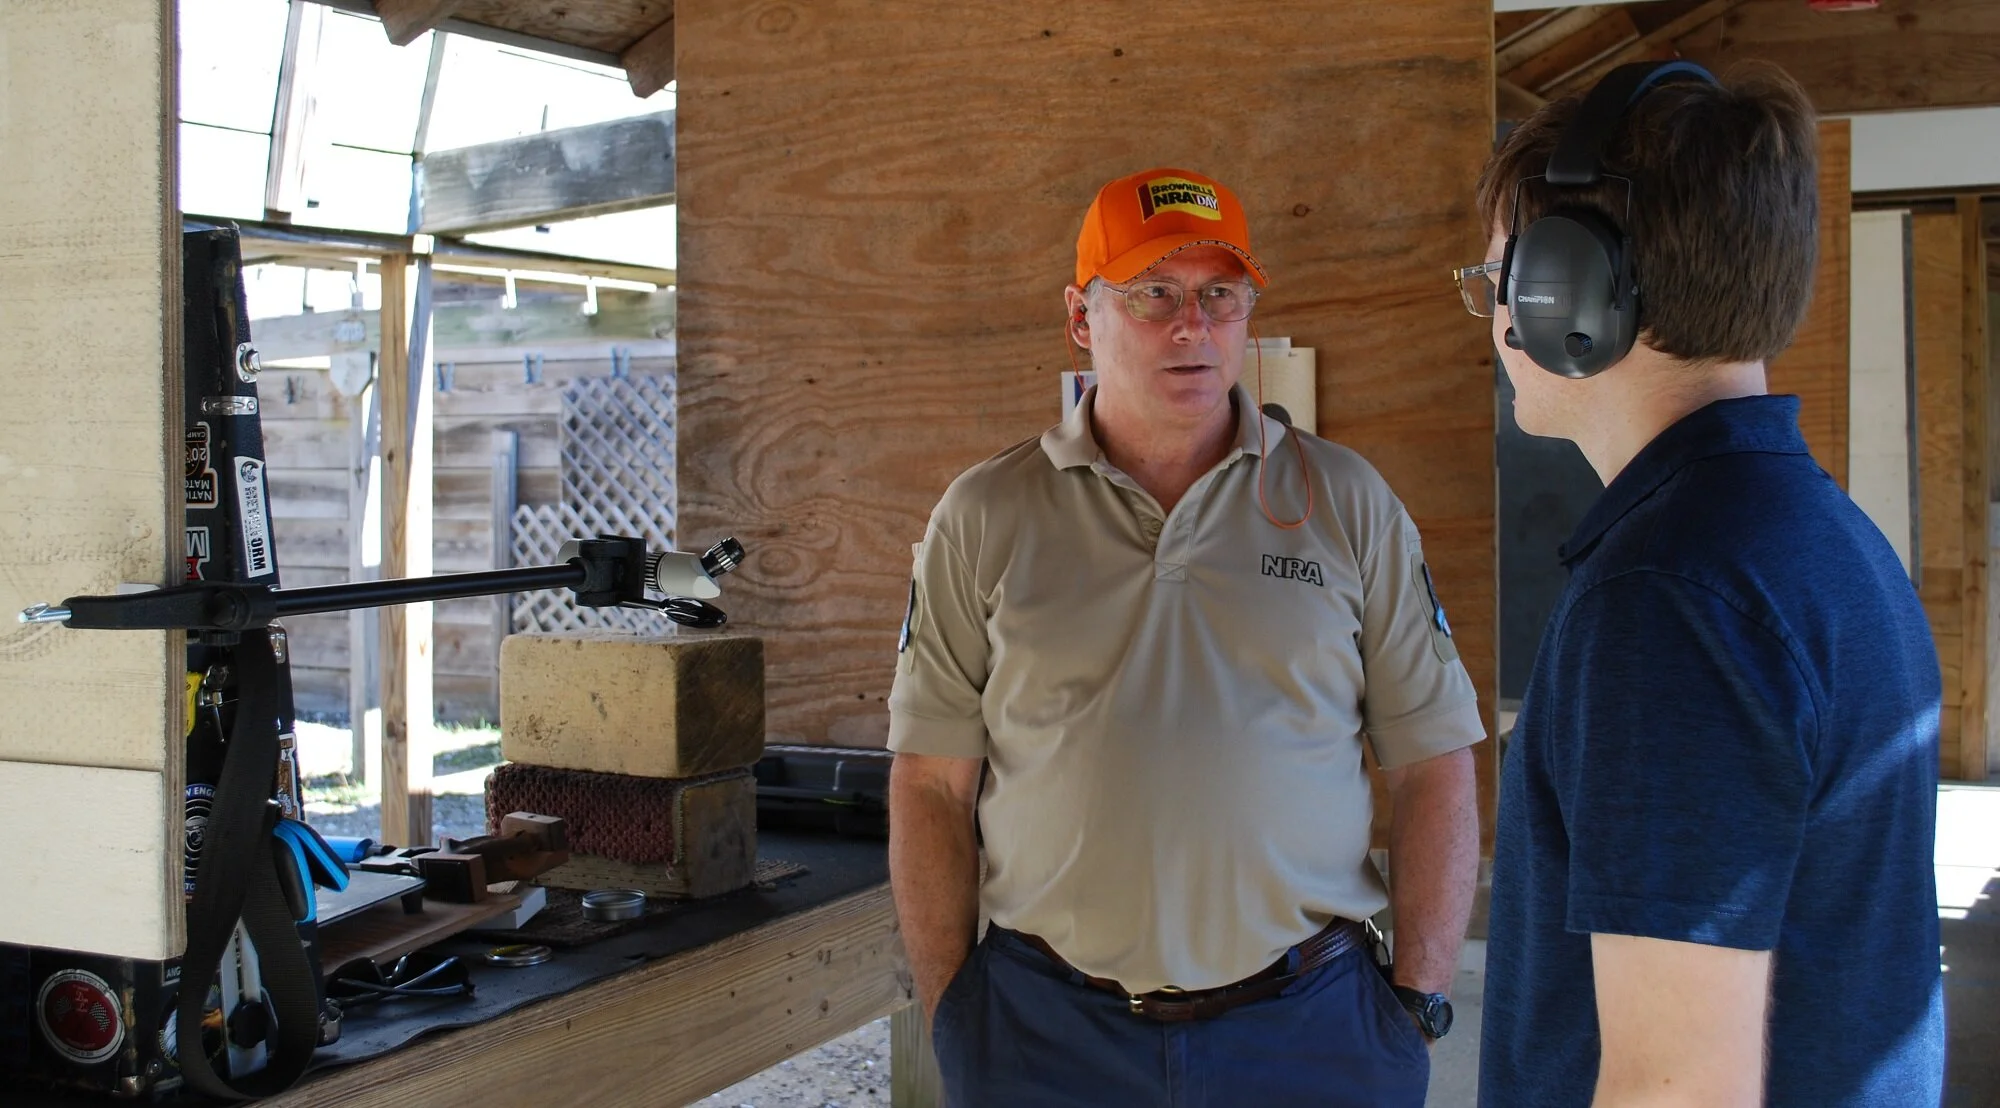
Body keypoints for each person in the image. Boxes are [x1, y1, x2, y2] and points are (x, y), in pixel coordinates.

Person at [886, 165, 1486, 1107]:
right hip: (1044, 1034)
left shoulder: (1347, 502)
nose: (1191, 326)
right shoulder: (985, 515)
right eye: (1153, 294)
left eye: (1219, 296)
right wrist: (954, 1009)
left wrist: (1419, 1000)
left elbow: (1433, 762)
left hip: (1310, 1030)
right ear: (1081, 316)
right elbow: (929, 782)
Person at [1465, 61, 1946, 1107]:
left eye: (1500, 271)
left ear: (1568, 293)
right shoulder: (1817, 538)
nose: (1492, 314)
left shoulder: (1667, 602)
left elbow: (1675, 1088)